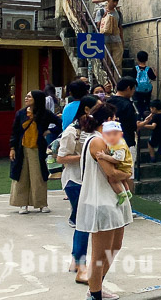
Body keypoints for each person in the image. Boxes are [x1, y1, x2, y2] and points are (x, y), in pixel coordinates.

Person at [77, 102, 133, 300]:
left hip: (112, 200)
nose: (117, 122)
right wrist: (127, 173)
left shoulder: (105, 140)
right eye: (114, 119)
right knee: (100, 253)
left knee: (115, 246)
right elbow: (110, 173)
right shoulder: (96, 141)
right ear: (107, 120)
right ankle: (94, 294)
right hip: (101, 200)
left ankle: (96, 286)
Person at [55, 94, 99, 283]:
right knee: (84, 222)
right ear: (87, 110)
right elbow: (60, 158)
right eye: (97, 108)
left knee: (84, 221)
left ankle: (77, 260)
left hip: (89, 181)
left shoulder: (94, 130)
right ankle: (79, 262)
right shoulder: (72, 132)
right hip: (74, 182)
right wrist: (86, 156)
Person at [9, 90, 62, 213]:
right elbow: (14, 132)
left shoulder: (45, 114)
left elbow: (60, 123)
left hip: (38, 148)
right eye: (26, 96)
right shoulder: (20, 114)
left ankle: (41, 203)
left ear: (36, 99)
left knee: (38, 176)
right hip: (21, 148)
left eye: (29, 97)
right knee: (22, 175)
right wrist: (12, 148)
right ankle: (23, 204)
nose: (26, 98)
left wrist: (49, 132)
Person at [105, 76, 139, 193]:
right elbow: (132, 126)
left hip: (108, 143)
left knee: (112, 173)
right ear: (128, 88)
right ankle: (128, 206)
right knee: (128, 174)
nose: (133, 92)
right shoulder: (127, 105)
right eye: (133, 89)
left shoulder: (107, 102)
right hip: (126, 143)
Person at [95, 121, 134, 205]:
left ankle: (121, 193)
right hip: (123, 166)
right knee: (123, 180)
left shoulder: (120, 146)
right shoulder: (115, 143)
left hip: (123, 167)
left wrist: (104, 156)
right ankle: (127, 192)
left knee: (112, 179)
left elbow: (117, 159)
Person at [139, 99, 161, 178]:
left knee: (150, 144)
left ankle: (152, 158)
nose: (150, 110)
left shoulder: (156, 116)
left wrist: (143, 125)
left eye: (151, 108)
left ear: (154, 108)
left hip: (157, 136)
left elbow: (153, 126)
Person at [95, 0, 124, 71]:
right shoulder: (101, 12)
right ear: (108, 0)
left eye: (116, 2)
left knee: (118, 64)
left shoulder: (118, 13)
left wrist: (122, 40)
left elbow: (120, 27)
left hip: (117, 40)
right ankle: (108, 82)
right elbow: (98, 26)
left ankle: (117, 82)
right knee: (106, 64)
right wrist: (103, 18)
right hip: (105, 41)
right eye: (113, 1)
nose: (115, 3)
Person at [132, 50, 157, 117]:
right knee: (147, 102)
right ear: (146, 59)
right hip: (147, 89)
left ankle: (140, 116)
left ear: (137, 59)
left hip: (138, 89)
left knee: (140, 103)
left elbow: (132, 78)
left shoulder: (135, 69)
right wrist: (155, 73)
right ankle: (148, 116)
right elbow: (153, 78)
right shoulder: (148, 69)